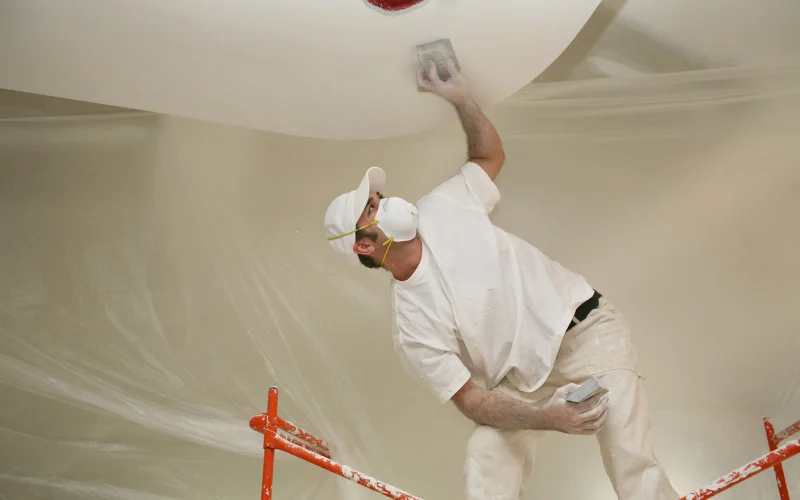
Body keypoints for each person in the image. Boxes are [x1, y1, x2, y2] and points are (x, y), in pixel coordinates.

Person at [323, 59, 679, 500]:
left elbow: (488, 156)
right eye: (373, 209)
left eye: (380, 197)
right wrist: (545, 416)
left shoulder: (444, 205)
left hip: (586, 334)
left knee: (631, 459)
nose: (388, 203)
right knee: (487, 457)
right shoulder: (412, 326)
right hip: (522, 378)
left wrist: (460, 99)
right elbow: (470, 400)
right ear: (363, 246)